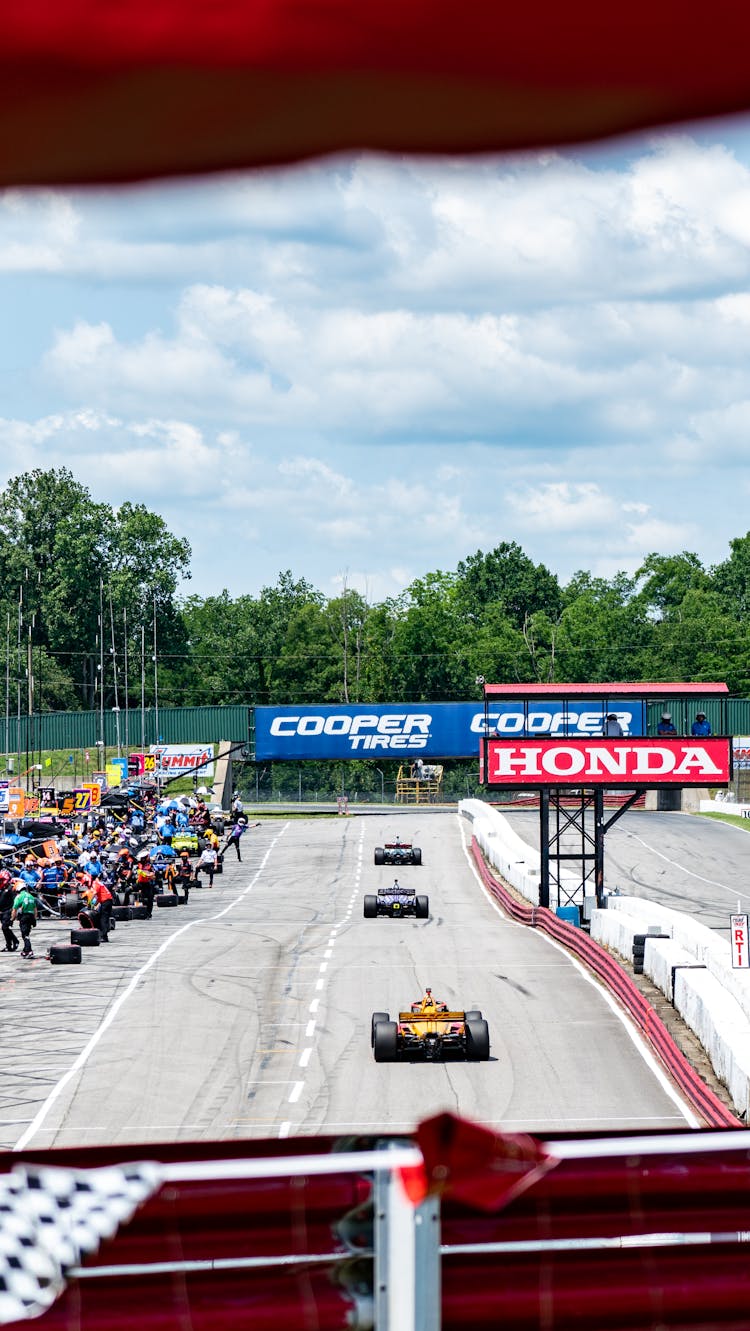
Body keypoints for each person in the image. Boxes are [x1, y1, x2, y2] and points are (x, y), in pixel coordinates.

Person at [11, 880, 37, 958]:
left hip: (24, 917)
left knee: (25, 935)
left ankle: (29, 950)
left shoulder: (19, 897)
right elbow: (35, 909)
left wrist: (12, 919)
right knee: (26, 934)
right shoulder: (30, 896)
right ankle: (26, 950)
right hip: (31, 916)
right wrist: (34, 919)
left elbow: (14, 909)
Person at [0, 870, 19, 951]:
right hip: (1, 911)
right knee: (5, 929)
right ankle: (9, 945)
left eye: (1, 880)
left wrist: (13, 912)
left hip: (8, 911)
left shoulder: (11, 888)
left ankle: (15, 941)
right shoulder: (1, 889)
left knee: (5, 927)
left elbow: (15, 900)